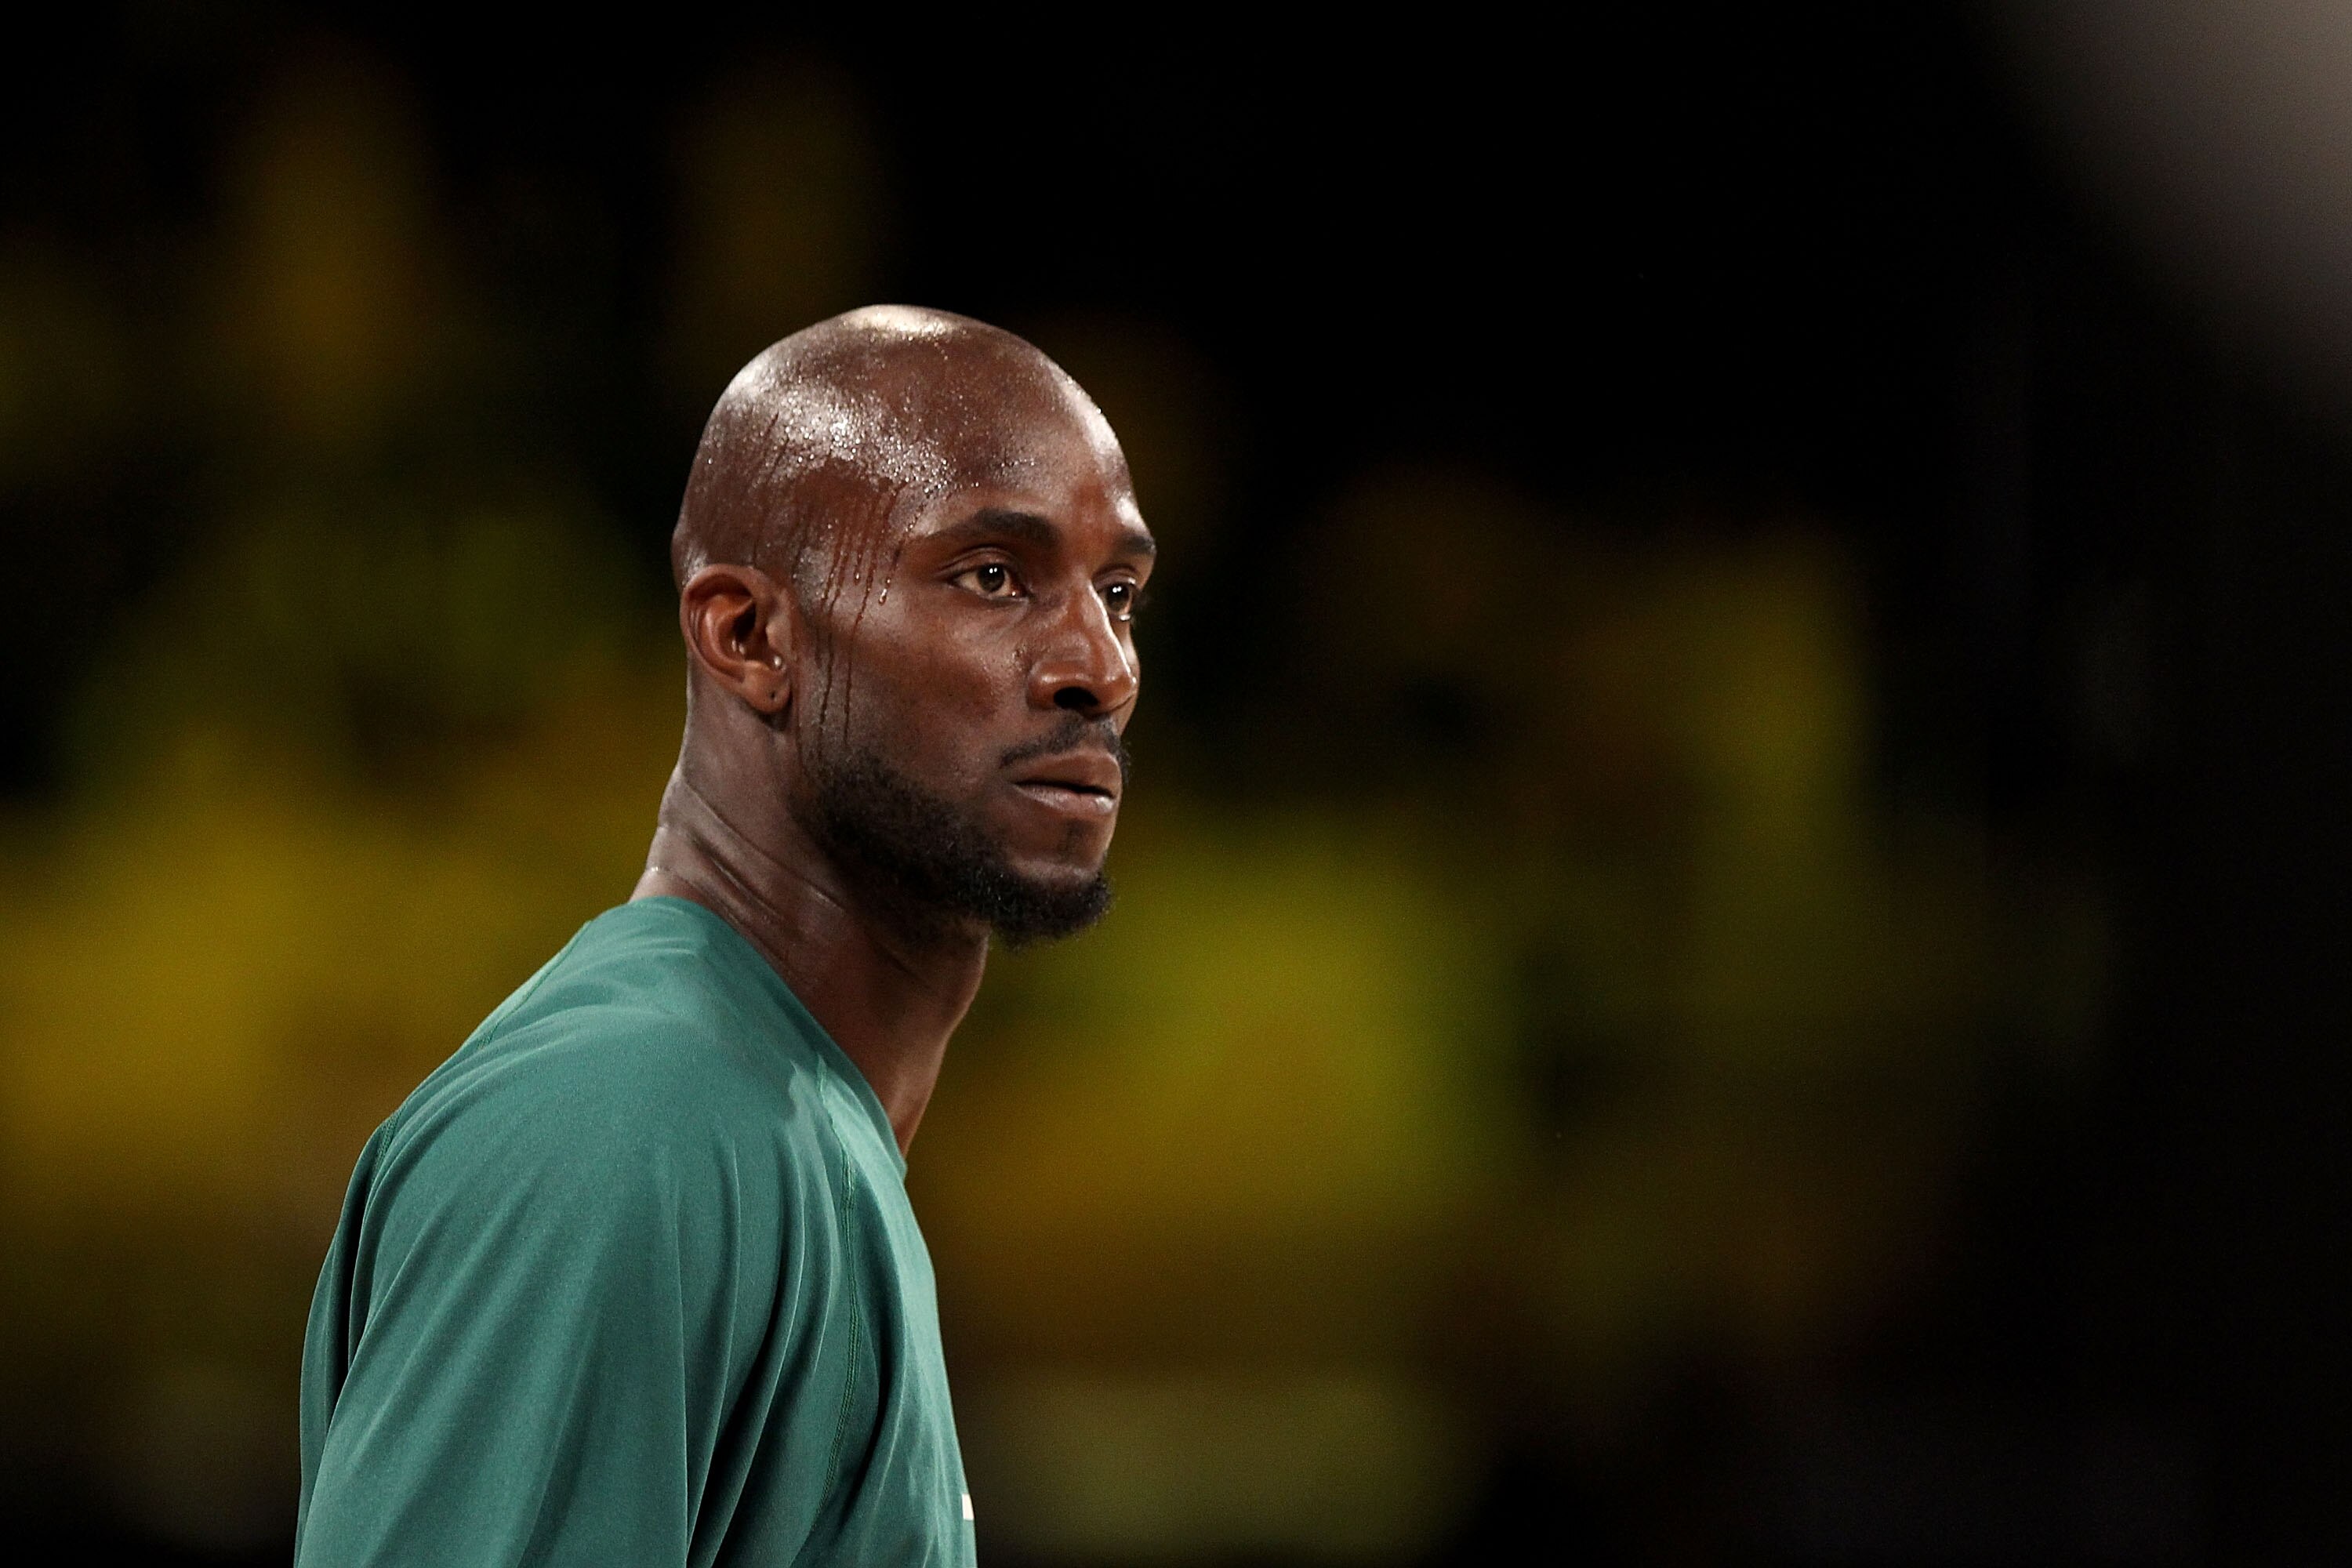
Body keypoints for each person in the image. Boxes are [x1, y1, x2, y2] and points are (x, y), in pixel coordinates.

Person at [293, 305, 1155, 1565]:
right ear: (749, 636)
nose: (1101, 665)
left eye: (1119, 591)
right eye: (994, 577)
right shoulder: (630, 1120)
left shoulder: (770, 1121)